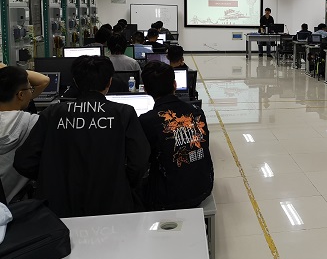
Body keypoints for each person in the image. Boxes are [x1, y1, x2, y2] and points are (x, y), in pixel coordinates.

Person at [14, 56, 150, 217]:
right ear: (109, 82)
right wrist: (122, 182)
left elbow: (24, 161)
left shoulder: (52, 113)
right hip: (112, 203)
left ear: (76, 83)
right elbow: (139, 160)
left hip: (59, 207)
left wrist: (51, 177)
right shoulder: (124, 113)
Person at [139, 61, 213, 210]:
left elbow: (140, 161)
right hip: (203, 187)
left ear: (146, 90)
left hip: (168, 198)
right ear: (175, 84)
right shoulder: (196, 111)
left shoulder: (146, 121)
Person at [0, 65, 49, 203]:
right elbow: (44, 80)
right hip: (15, 205)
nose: (32, 92)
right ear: (21, 95)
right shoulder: (33, 123)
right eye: (30, 89)